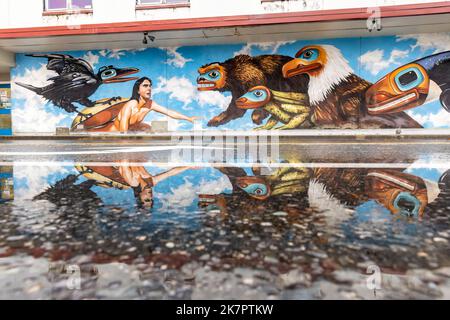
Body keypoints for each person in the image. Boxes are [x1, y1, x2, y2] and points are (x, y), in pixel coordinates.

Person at [99, 77, 198, 132]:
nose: (149, 88)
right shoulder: (131, 104)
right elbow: (123, 127)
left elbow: (170, 112)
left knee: (151, 128)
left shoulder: (150, 104)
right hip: (113, 132)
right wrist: (125, 140)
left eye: (150, 86)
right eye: (145, 86)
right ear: (138, 90)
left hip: (132, 130)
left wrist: (188, 118)